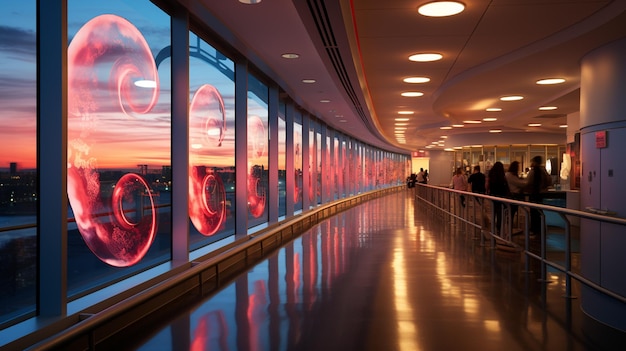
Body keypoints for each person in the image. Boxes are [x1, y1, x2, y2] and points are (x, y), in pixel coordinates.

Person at [526, 156, 553, 235]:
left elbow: (528, 182)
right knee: (540, 211)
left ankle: (534, 229)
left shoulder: (533, 171)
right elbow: (549, 180)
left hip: (534, 193)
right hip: (541, 193)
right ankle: (540, 228)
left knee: (533, 212)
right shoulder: (543, 171)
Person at [487, 162, 510, 235]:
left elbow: (488, 184)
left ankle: (493, 226)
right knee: (500, 212)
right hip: (501, 195)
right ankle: (498, 228)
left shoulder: (491, 174)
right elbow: (505, 186)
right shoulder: (502, 175)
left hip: (493, 194)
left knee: (493, 211)